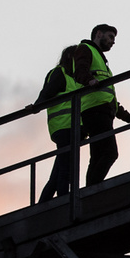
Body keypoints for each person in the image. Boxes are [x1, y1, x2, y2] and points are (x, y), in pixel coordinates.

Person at [34, 44, 92, 200]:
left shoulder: (76, 77)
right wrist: (36, 106)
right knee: (66, 170)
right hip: (64, 127)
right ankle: (64, 203)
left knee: (59, 171)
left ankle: (43, 205)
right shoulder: (60, 73)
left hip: (74, 128)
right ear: (69, 57)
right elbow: (46, 92)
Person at [79, 24, 130, 186]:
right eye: (110, 37)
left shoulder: (101, 61)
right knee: (110, 153)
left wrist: (129, 118)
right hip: (95, 109)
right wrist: (89, 80)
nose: (113, 41)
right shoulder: (85, 49)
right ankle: (91, 191)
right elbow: (80, 70)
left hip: (100, 110)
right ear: (98, 34)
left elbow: (110, 97)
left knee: (97, 155)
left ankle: (89, 191)